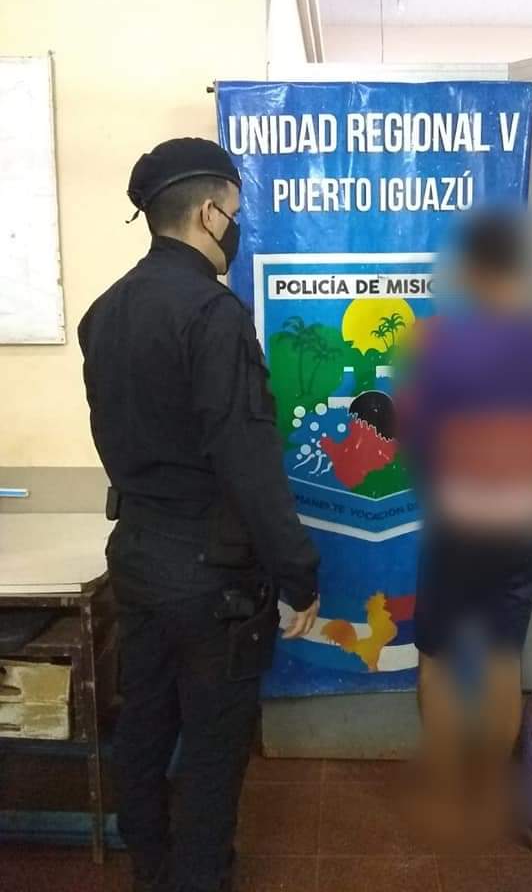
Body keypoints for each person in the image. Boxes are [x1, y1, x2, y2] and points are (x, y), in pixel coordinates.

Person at [78, 138, 320, 892]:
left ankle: (150, 869)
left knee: (143, 729)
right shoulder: (213, 314)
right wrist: (299, 573)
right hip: (212, 579)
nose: (236, 227)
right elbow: (246, 460)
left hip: (136, 558)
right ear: (211, 213)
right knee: (214, 752)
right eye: (235, 212)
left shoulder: (102, 313)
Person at [396, 207, 532, 840]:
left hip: (457, 525)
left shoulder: (439, 346)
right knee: (504, 660)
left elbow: (417, 442)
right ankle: (486, 797)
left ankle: (444, 798)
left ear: (474, 270)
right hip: (521, 523)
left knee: (437, 661)